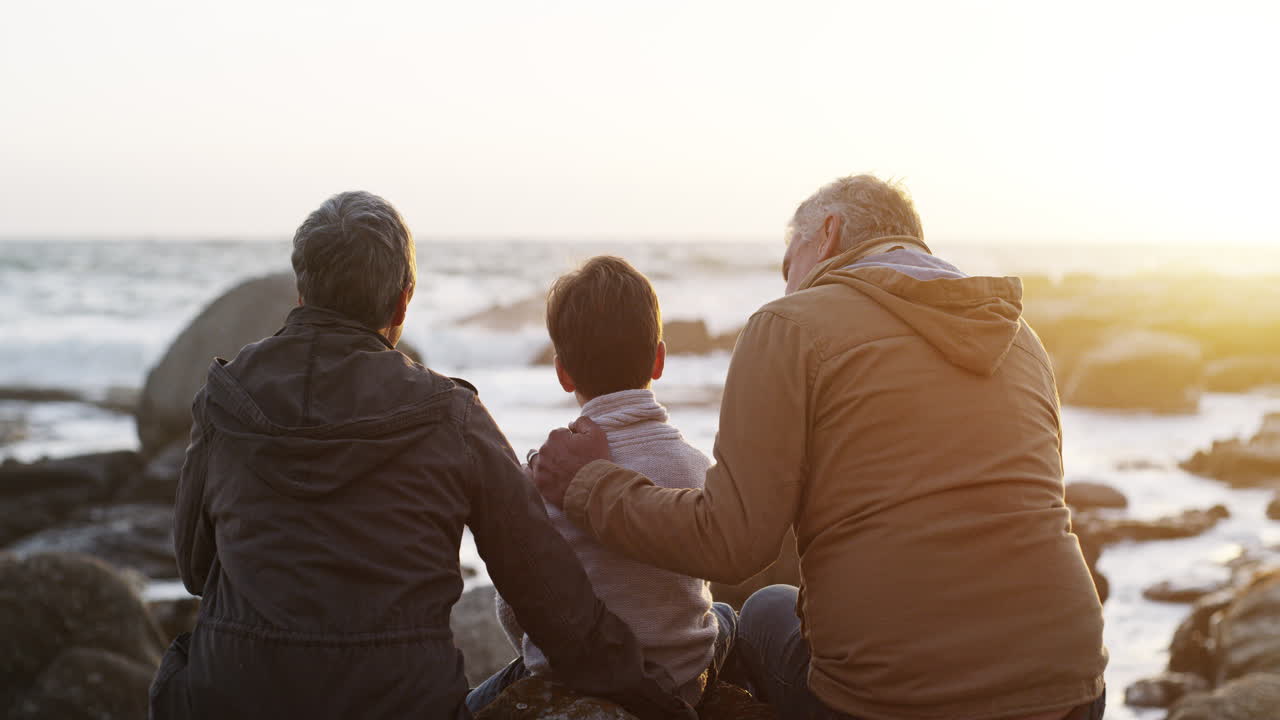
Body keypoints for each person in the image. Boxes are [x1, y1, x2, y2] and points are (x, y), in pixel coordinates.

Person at [532, 175, 1109, 720]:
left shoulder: (790, 325)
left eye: (790, 266)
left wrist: (591, 485)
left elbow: (733, 544)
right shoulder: (1018, 336)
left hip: (893, 700)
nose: (788, 286)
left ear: (828, 233)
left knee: (759, 611)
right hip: (1072, 688)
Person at [150, 191, 693, 720]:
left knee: (176, 669)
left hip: (235, 700)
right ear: (403, 301)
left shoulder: (224, 397)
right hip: (400, 704)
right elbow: (549, 598)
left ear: (301, 291)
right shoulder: (450, 414)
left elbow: (196, 568)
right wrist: (654, 697)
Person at [467, 256, 737, 713]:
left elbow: (515, 608)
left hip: (567, 678)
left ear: (562, 372)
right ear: (659, 359)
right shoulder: (695, 467)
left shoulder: (543, 476)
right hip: (678, 683)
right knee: (726, 615)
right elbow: (693, 587)